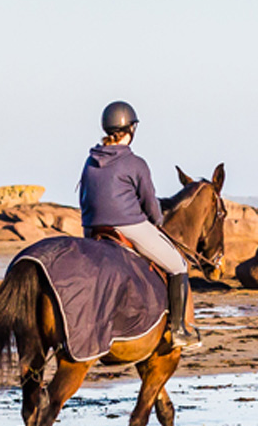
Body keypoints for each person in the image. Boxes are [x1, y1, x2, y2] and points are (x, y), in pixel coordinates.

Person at [78, 100, 201, 348]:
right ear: (131, 130)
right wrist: (157, 223)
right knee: (178, 264)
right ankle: (178, 330)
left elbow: (83, 197)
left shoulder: (90, 161)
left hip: (92, 228)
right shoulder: (135, 163)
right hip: (128, 226)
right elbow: (149, 204)